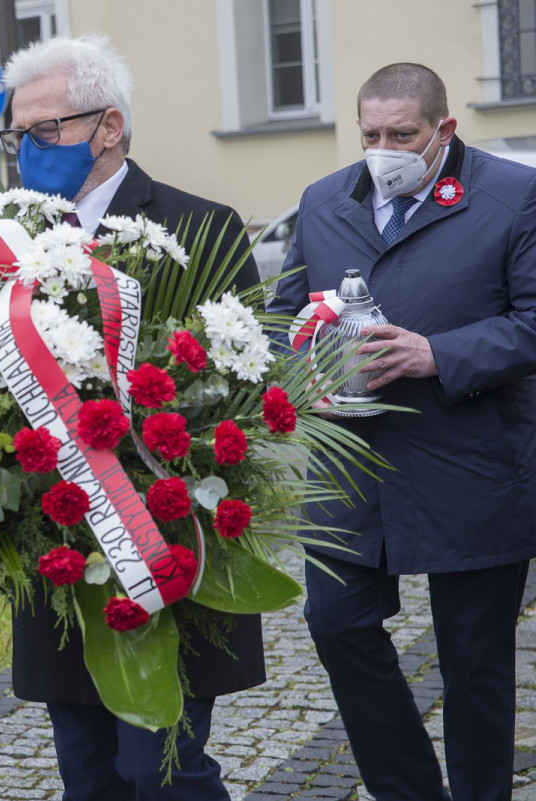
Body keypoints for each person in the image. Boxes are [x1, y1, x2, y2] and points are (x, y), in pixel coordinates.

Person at [0, 34, 264, 800]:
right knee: (87, 775)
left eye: (47, 130)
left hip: (161, 539)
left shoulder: (200, 226)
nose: (29, 150)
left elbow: (239, 395)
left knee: (161, 772)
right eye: (19, 134)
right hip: (56, 538)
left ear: (108, 127)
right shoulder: (6, 242)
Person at [266, 62, 536, 801]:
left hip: (470, 461)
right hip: (351, 465)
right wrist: (293, 363)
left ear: (443, 130)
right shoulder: (325, 201)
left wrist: (437, 352)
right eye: (370, 134)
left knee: (474, 662)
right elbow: (277, 314)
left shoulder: (513, 196)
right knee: (336, 624)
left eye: (402, 134)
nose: (383, 148)